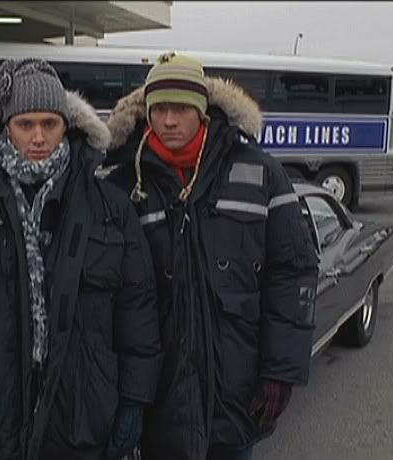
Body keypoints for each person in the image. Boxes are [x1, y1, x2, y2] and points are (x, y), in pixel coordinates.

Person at [0, 58, 162, 460]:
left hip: (82, 414)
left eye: (49, 123)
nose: (38, 137)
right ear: (6, 126)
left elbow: (136, 306)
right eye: (25, 124)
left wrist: (134, 398)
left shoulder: (110, 208)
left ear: (66, 126)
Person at [103, 52, 320, 460]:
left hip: (235, 397)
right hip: (158, 403)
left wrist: (280, 370)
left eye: (181, 109)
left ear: (202, 111)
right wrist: (122, 394)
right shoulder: (123, 184)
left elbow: (293, 271)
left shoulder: (260, 172)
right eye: (159, 109)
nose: (169, 121)